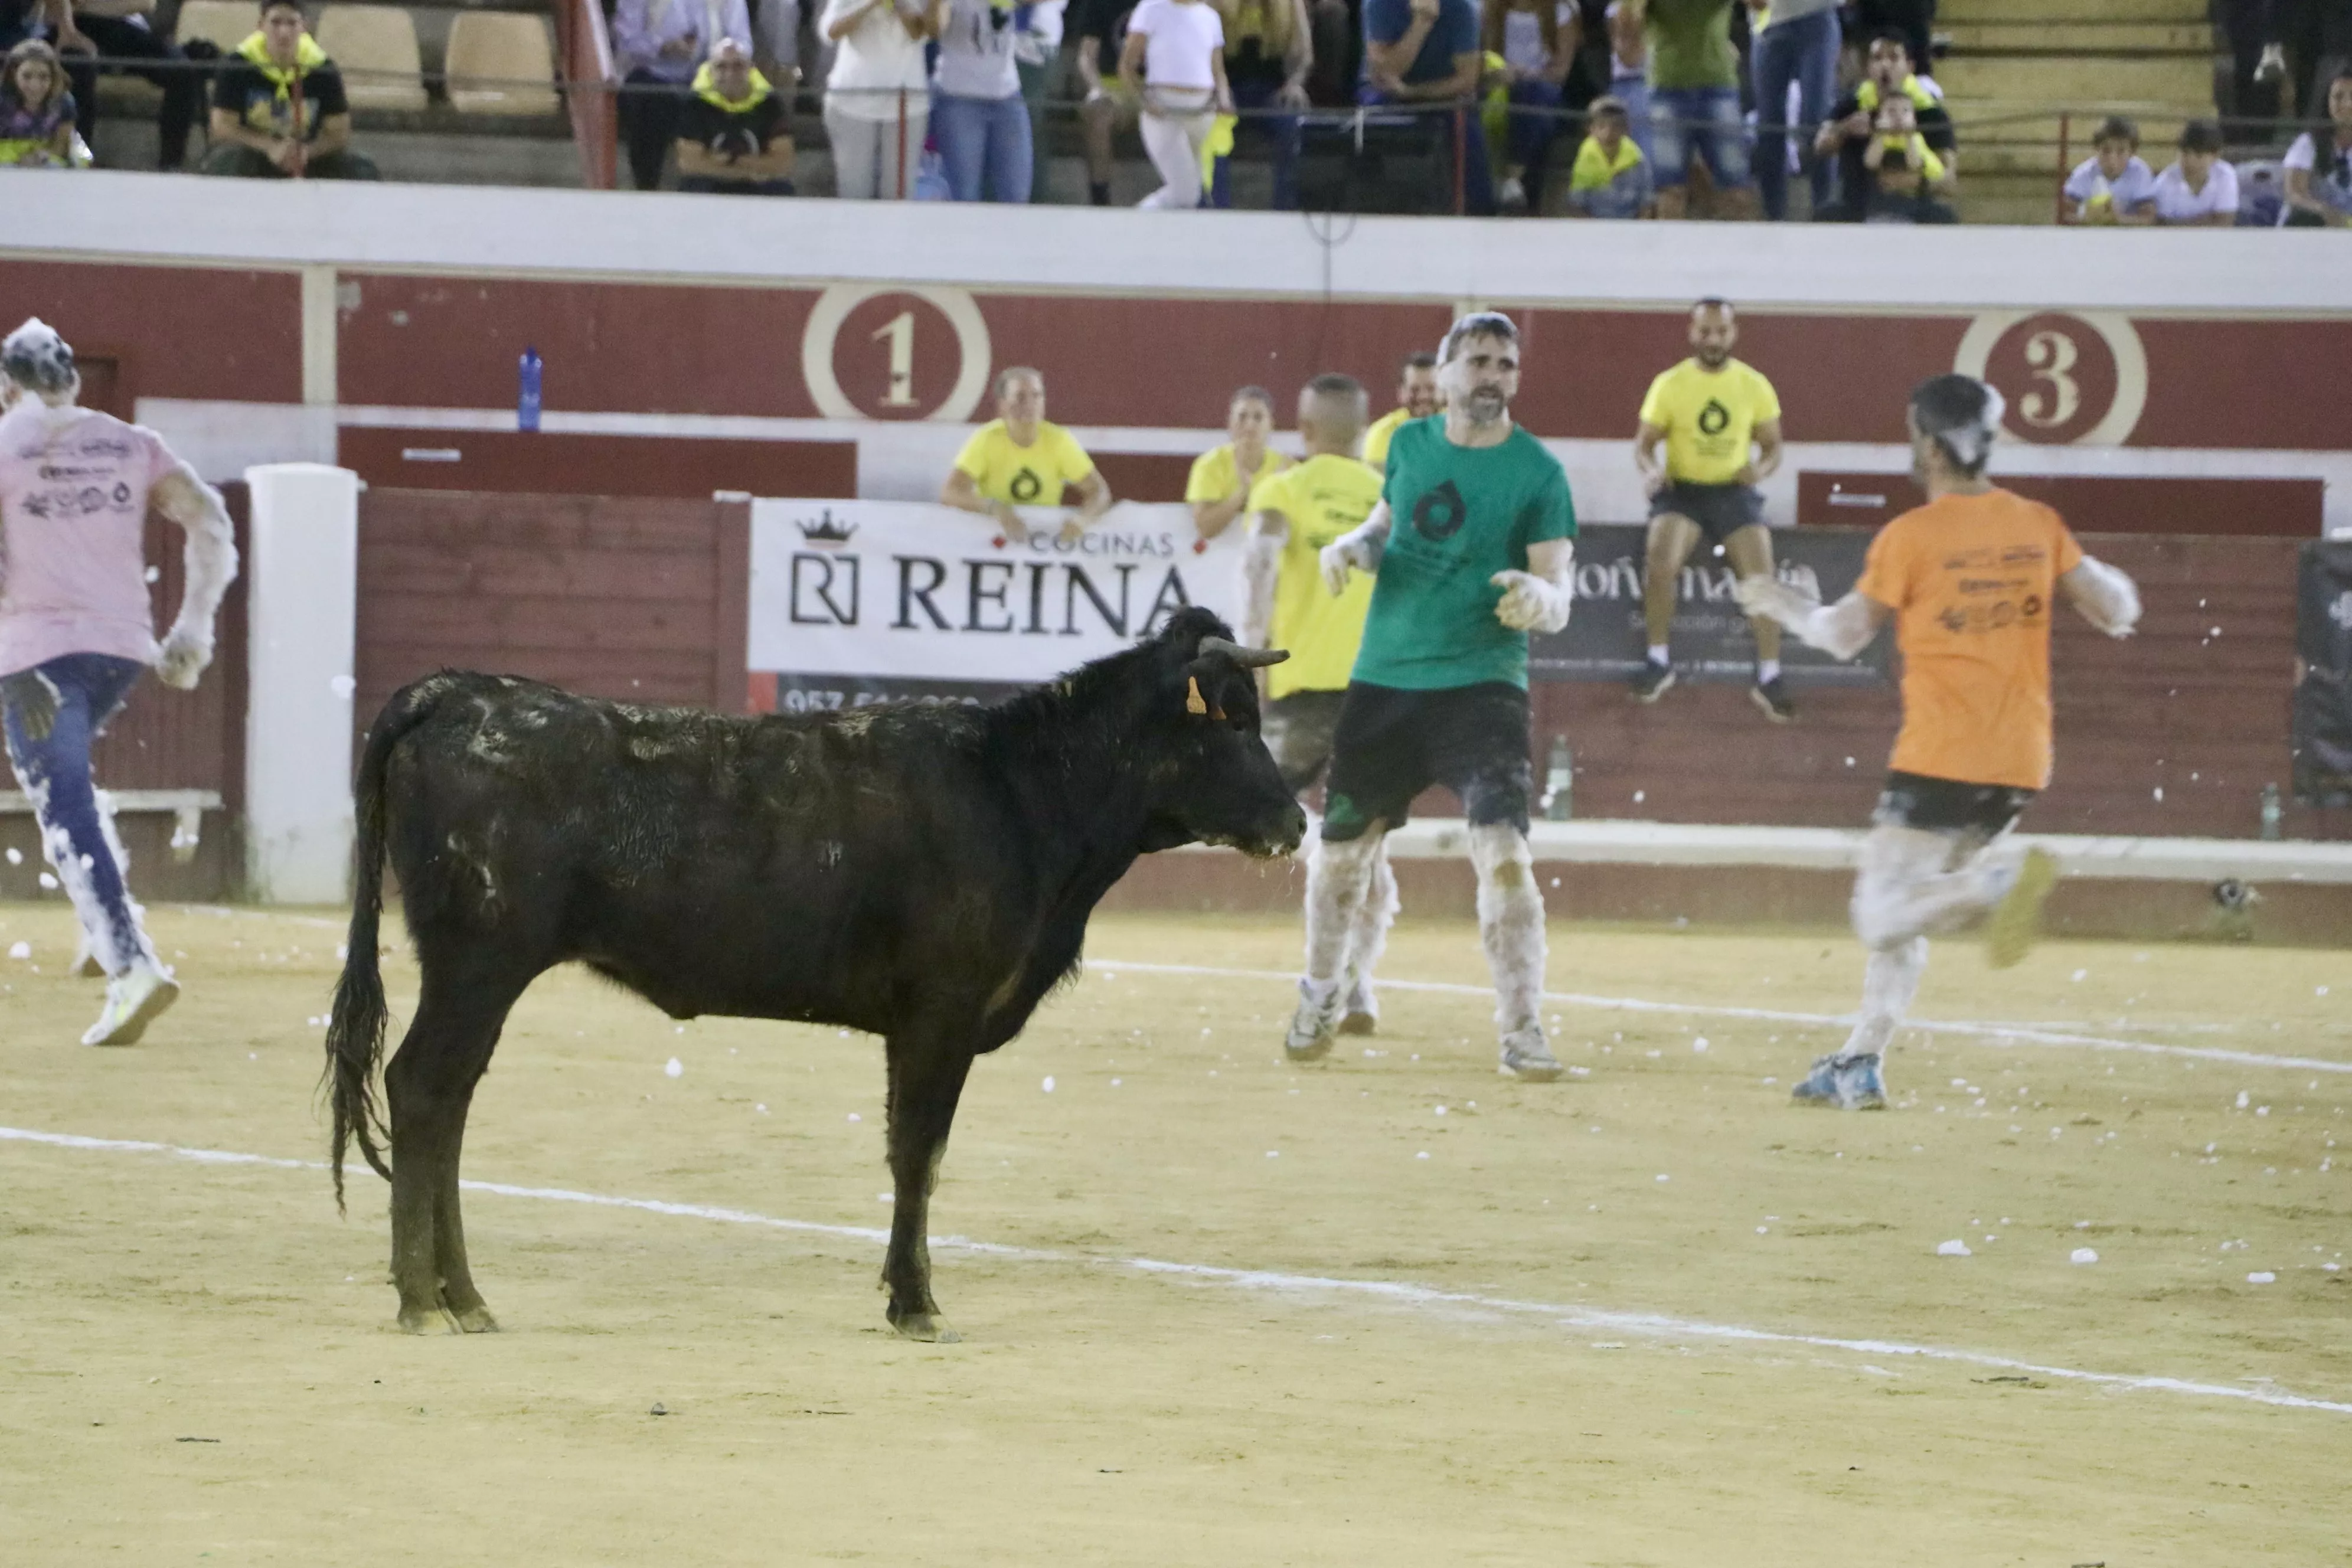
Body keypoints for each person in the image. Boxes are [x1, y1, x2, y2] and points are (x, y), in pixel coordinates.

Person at [1736, 373, 2142, 1111]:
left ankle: (1996, 885)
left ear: (1926, 444)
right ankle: (1861, 1059)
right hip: (2020, 762)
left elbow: (1842, 635)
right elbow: (2116, 608)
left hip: (1940, 754)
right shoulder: (2037, 523)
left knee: (1879, 913)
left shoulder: (1912, 537)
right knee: (1917, 905)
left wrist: (1781, 602)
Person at [1288, 312, 1577, 1080]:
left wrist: (1539, 602)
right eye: (1478, 360)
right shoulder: (1407, 448)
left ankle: (1521, 1026)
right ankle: (1320, 991)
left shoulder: (1539, 471)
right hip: (1386, 680)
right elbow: (1391, 527)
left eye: (1506, 364)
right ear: (1444, 375)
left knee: (1505, 855)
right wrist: (1353, 547)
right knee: (1341, 859)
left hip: (1484, 686)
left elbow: (1561, 585)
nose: (1492, 375)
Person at [0, 319, 238, 1047]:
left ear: (7, 387)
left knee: (61, 799)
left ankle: (129, 962)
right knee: (72, 787)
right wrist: (193, 627)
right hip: (119, 650)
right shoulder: (128, 442)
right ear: (69, 381)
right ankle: (99, 927)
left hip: (34, 655)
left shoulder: (2, 445)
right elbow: (211, 519)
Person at [1240, 374, 1393, 1034]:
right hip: (1380, 691)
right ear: (1362, 430)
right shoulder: (1388, 496)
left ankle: (1321, 851)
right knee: (1370, 844)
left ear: (1302, 431)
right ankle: (1358, 986)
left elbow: (1259, 566)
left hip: (1302, 692)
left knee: (1253, 804)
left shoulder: (1282, 490)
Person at [1629, 299, 1789, 720]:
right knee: (1659, 563)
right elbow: (1644, 445)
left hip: (1734, 491)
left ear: (1733, 334)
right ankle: (1658, 661)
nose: (1713, 339)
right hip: (1682, 491)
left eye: (1721, 332)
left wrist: (1761, 470)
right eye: (1706, 332)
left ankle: (1771, 676)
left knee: (1761, 578)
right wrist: (1650, 472)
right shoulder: (1670, 383)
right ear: (1692, 332)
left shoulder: (1754, 384)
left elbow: (1774, 447)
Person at [201, 0, 378, 179]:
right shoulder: (237, 64)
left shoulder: (323, 68)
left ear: (304, 27)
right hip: (254, 154)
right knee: (226, 162)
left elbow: (339, 133)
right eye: (276, 22)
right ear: (261, 26)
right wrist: (270, 146)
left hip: (307, 158)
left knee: (362, 168)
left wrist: (307, 152)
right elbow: (222, 127)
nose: (284, 33)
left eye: (292, 23)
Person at [940, 367, 1114, 544]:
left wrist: (1082, 521)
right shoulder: (987, 439)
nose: (1030, 404)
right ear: (1003, 404)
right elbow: (950, 492)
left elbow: (1099, 491)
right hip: (993, 540)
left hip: (1043, 542)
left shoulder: (1059, 441)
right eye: (1020, 397)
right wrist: (995, 508)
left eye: (1037, 396)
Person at [1361, 0, 1495, 215]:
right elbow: (1385, 74)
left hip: (1444, 97)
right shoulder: (1379, 4)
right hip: (1387, 94)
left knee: (1468, 134)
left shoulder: (1462, 7)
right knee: (1372, 123)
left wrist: (1413, 92)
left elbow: (1467, 80)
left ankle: (1478, 214)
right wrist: (1421, 24)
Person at [1634, 0, 1758, 219]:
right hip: (1668, 86)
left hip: (1717, 84)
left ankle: (1745, 252)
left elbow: (1760, 5)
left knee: (1736, 187)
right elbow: (1628, 26)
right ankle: (1669, 252)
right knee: (1670, 188)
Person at [613, 0, 754, 191]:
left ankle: (721, 187)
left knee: (733, 95)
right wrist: (663, 47)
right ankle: (646, 187)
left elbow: (743, 42)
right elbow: (627, 40)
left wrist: (724, 55)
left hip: (708, 77)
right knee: (652, 100)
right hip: (652, 74)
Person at [1813, 29, 1951, 221]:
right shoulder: (1851, 104)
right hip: (1858, 206)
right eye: (1877, 58)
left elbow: (1949, 179)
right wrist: (1845, 128)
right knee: (1826, 215)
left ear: (1910, 67)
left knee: (1944, 217)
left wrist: (1915, 181)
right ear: (1868, 67)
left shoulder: (1931, 112)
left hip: (1915, 206)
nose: (1885, 65)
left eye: (1894, 58)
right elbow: (1820, 146)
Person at [57, 0, 200, 171]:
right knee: (78, 68)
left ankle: (171, 165)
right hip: (67, 27)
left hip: (119, 25)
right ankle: (80, 160)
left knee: (181, 71)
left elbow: (144, 4)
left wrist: (82, 6)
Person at [821, 0, 939, 198]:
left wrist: (899, 6)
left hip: (905, 104)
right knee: (854, 192)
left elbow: (923, 33)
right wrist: (871, 4)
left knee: (898, 196)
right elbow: (831, 32)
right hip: (852, 101)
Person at [1120, 0, 1233, 207]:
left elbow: (1218, 72)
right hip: (1163, 110)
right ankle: (1135, 220)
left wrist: (1224, 99)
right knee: (1185, 193)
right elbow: (1127, 66)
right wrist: (1145, 103)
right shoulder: (1151, 8)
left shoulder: (1210, 16)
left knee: (1192, 192)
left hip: (1202, 112)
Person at [1208, 0, 1310, 209]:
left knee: (1293, 124)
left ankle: (1285, 209)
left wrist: (1295, 83)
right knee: (1212, 126)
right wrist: (1219, 92)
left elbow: (1304, 55)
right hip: (1227, 89)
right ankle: (1216, 208)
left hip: (1271, 92)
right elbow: (1203, 52)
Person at [1745, 0, 1837, 219]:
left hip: (1816, 13)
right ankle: (1774, 217)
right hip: (1768, 22)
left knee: (1818, 120)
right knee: (1768, 125)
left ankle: (1826, 214)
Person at [936, 0, 1034, 201]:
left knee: (1017, 193)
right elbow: (936, 27)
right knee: (964, 194)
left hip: (1007, 93)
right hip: (960, 96)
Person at [1484, 0, 1576, 211]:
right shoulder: (1488, 10)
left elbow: (1560, 72)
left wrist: (1526, 75)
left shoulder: (1560, 11)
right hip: (1501, 86)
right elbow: (1481, 60)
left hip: (1543, 89)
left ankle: (1513, 176)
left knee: (1536, 100)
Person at [674, 38, 795, 192]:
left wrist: (726, 160)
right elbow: (689, 164)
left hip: (757, 186)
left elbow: (784, 164)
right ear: (710, 71)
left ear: (751, 69)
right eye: (721, 67)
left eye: (738, 66)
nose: (730, 74)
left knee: (781, 188)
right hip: (714, 185)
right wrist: (748, 169)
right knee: (693, 186)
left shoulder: (770, 103)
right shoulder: (695, 104)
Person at [1188, 386, 1289, 541]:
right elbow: (1205, 528)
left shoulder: (1287, 468)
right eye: (1242, 417)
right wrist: (1242, 492)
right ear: (1230, 423)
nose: (1250, 426)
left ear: (1271, 425)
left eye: (1258, 418)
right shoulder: (1209, 465)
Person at [1075, 0, 1141, 204]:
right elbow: (1086, 57)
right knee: (1097, 113)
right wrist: (1098, 89)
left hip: (1156, 85)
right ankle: (1100, 198)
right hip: (1114, 86)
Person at [1564, 91, 1653, 215]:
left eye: (1616, 126)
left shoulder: (1637, 160)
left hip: (1630, 228)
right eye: (1601, 126)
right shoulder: (1585, 160)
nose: (1608, 134)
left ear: (1626, 129)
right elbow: (1577, 205)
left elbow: (1646, 204)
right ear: (1591, 129)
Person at [2284, 68, 2352, 226]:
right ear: (2327, 101)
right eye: (2339, 97)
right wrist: (2323, 211)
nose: (2348, 104)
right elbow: (2294, 193)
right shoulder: (2308, 143)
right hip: (2314, 227)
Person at [2060, 115, 2156, 226]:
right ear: (2096, 149)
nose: (2112, 160)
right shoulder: (2083, 174)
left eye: (2121, 152)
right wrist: (2089, 218)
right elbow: (2065, 216)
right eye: (2106, 151)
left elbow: (2149, 219)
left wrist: (2117, 220)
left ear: (2132, 153)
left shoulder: (2140, 172)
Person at [1361, 349, 1440, 472]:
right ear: (1401, 393)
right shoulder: (1384, 434)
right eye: (1415, 390)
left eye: (1431, 389)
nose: (1424, 396)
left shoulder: (1462, 428)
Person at [0, 37, 75, 165]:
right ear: (14, 73)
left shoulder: (64, 102)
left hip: (45, 156)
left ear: (53, 77)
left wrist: (40, 156)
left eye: (43, 77)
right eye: (27, 76)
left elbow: (61, 145)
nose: (35, 86)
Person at [2151, 119, 2239, 227]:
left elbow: (2226, 221)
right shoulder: (2165, 181)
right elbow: (2164, 224)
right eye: (2185, 153)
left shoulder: (2225, 175)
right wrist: (2209, 220)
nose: (2190, 161)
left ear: (2215, 156)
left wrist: (2183, 223)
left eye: (2199, 155)